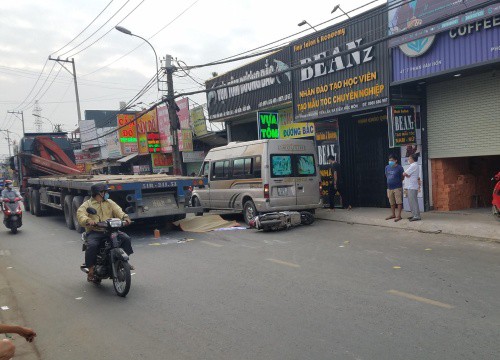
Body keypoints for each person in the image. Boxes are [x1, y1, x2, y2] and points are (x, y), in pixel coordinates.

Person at [77, 183, 133, 282]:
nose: (107, 193)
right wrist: (88, 220)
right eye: (105, 192)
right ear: (99, 193)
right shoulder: (87, 204)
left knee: (126, 238)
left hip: (110, 230)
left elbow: (118, 210)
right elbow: (80, 214)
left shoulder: (109, 202)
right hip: (95, 231)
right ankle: (90, 269)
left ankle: (124, 262)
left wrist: (125, 217)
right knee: (92, 245)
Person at [385, 154, 405, 222]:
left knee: (399, 202)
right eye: (389, 160)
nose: (390, 162)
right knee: (391, 202)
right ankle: (393, 214)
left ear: (396, 160)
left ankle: (399, 215)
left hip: (397, 187)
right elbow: (386, 175)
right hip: (389, 187)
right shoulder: (387, 167)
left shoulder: (399, 168)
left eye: (392, 160)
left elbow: (402, 177)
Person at [404, 154, 421, 221]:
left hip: (412, 186)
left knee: (413, 202)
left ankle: (416, 216)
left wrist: (406, 174)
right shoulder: (414, 165)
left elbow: (404, 173)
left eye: (409, 158)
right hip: (411, 186)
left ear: (412, 159)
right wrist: (407, 175)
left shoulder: (413, 165)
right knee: (411, 201)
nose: (408, 160)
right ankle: (414, 215)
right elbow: (406, 174)